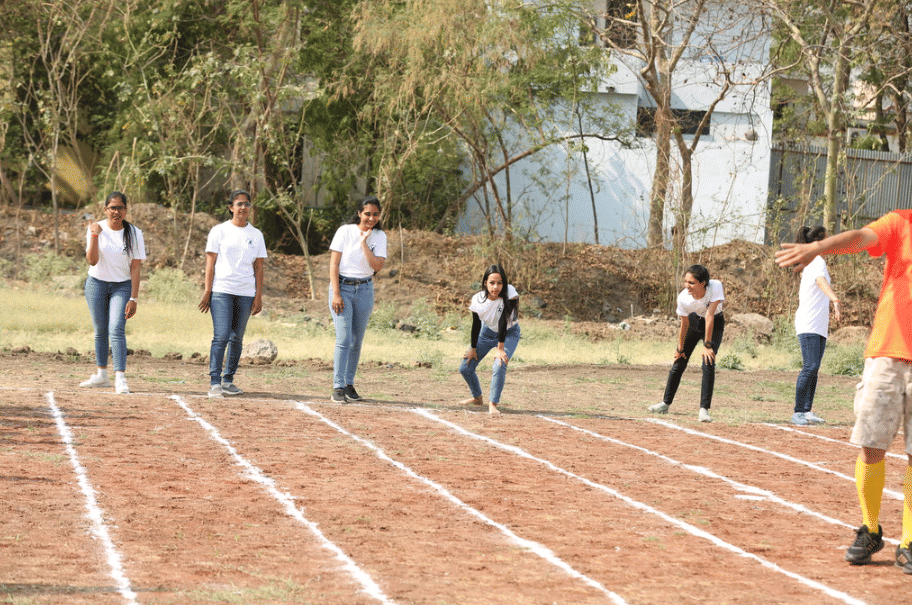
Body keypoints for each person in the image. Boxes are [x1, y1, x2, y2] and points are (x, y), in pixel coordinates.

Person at [776, 211, 912, 574]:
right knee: (871, 446)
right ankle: (871, 528)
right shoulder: (902, 222)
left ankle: (910, 541)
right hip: (887, 353)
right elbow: (859, 238)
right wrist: (819, 248)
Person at [198, 190, 267, 398]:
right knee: (221, 336)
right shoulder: (219, 231)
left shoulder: (256, 235)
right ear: (231, 207)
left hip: (245, 292)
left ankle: (228, 380)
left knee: (237, 338)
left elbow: (259, 268)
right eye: (239, 204)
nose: (243, 208)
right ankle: (214, 383)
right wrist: (207, 290)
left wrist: (258, 295)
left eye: (247, 204)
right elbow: (210, 263)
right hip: (222, 291)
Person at [79, 191, 146, 394]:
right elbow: (92, 260)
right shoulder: (96, 228)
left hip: (122, 286)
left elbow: (135, 267)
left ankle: (120, 377)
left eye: (120, 208)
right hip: (96, 284)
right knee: (100, 330)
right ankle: (101, 375)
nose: (116, 211)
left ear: (126, 210)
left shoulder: (134, 233)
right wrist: (94, 234)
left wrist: (133, 297)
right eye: (112, 208)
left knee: (116, 328)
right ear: (105, 209)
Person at [648, 264, 724, 422]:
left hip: (715, 324)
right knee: (679, 362)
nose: (687, 286)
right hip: (694, 323)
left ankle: (704, 410)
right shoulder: (683, 298)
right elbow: (684, 324)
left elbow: (710, 315)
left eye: (691, 283)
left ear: (702, 283)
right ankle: (665, 403)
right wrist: (680, 348)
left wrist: (708, 346)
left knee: (708, 362)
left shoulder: (715, 286)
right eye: (685, 282)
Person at [328, 196, 386, 403]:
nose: (371, 218)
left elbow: (376, 266)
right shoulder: (345, 231)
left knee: (356, 341)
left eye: (375, 214)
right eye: (367, 213)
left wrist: (364, 244)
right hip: (342, 288)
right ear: (359, 213)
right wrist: (336, 293)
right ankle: (338, 387)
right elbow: (334, 264)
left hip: (364, 289)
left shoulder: (379, 236)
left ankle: (349, 384)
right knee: (343, 339)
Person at [790, 226, 841, 426]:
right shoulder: (817, 261)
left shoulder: (813, 262)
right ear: (818, 243)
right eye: (827, 239)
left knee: (815, 368)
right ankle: (797, 412)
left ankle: (807, 410)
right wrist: (835, 299)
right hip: (809, 322)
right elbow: (820, 282)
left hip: (818, 324)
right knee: (809, 366)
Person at [458, 264, 521, 415]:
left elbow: (503, 321)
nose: (496, 287)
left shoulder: (510, 293)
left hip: (509, 333)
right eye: (492, 283)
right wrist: (473, 349)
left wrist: (500, 349)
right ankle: (477, 397)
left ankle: (493, 403)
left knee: (499, 364)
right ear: (485, 282)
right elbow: (476, 324)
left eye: (500, 283)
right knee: (465, 367)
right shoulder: (478, 300)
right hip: (486, 332)